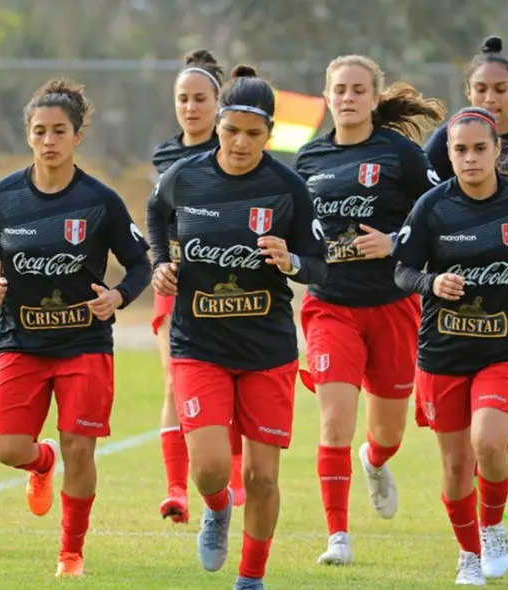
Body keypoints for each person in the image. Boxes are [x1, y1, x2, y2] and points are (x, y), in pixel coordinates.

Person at [0, 78, 152, 577]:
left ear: (76, 136)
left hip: (84, 344)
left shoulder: (100, 201)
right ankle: (40, 464)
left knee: (80, 446)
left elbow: (139, 263)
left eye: (59, 131)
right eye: (40, 130)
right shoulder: (3, 197)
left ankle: (71, 552)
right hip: (20, 342)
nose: (49, 140)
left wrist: (118, 296)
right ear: (29, 135)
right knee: (8, 449)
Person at [147, 65, 327, 590]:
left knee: (263, 476)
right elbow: (156, 212)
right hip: (197, 344)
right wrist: (162, 261)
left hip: (267, 349)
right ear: (218, 126)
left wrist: (290, 261)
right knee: (208, 470)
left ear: (270, 134)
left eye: (254, 133)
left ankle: (251, 577)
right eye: (232, 131)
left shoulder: (288, 188)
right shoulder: (185, 175)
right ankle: (217, 508)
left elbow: (319, 265)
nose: (241, 143)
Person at [393, 107, 508, 585]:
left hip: (502, 350)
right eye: (460, 150)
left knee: (489, 443)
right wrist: (431, 282)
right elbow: (402, 270)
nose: (470, 158)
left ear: (497, 151)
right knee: (454, 466)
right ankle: (468, 555)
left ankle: (492, 527)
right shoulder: (431, 206)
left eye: (479, 149)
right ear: (448, 154)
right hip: (443, 353)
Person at [293, 54, 445, 565]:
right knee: (334, 422)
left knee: (388, 434)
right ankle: (338, 536)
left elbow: (439, 218)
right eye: (340, 89)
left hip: (393, 305)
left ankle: (375, 462)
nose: (349, 97)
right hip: (330, 306)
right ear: (328, 95)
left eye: (359, 89)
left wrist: (397, 242)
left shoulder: (401, 154)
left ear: (374, 99)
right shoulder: (309, 158)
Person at [423, 34, 508, 478]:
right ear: (469, 93)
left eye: (500, 89)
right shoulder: (444, 141)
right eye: (481, 88)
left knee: (504, 391)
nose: (490, 97)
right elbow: (429, 204)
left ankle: (496, 472)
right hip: (458, 280)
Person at [151, 49, 247, 525]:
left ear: (218, 103)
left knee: (233, 374)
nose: (191, 107)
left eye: (200, 99)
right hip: (176, 280)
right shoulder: (164, 155)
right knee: (174, 376)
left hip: (225, 280)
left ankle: (234, 469)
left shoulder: (233, 151)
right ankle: (175, 489)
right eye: (183, 99)